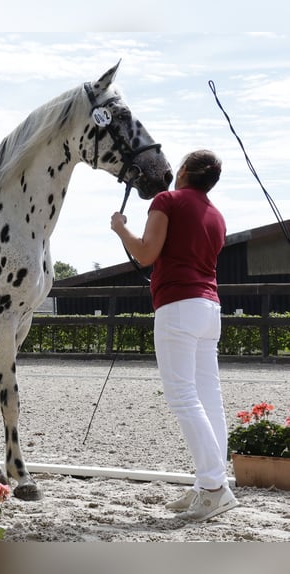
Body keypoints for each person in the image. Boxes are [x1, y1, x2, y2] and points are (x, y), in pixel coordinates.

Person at [109, 149, 238, 522]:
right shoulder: (216, 215)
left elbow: (146, 253)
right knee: (208, 397)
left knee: (183, 398)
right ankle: (206, 484)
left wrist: (121, 229)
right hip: (209, 307)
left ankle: (214, 488)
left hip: (178, 306)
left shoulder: (167, 200)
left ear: (182, 171)